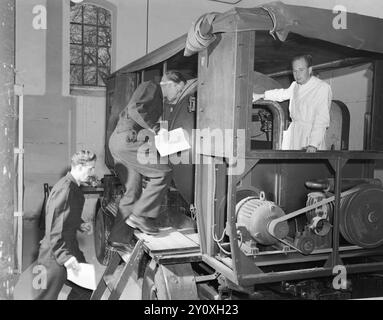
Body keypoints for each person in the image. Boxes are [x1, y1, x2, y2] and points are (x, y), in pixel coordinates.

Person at [108, 70, 186, 244]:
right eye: (179, 90)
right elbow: (136, 109)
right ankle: (140, 215)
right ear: (170, 84)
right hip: (127, 140)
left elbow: (142, 118)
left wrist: (160, 132)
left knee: (132, 192)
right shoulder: (151, 87)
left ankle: (118, 239)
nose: (178, 95)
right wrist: (154, 128)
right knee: (163, 172)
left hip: (122, 142)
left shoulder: (159, 99)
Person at [14, 150, 97, 300]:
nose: (93, 172)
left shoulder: (73, 187)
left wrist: (80, 224)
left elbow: (65, 215)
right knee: (46, 296)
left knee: (85, 289)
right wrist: (65, 257)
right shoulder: (65, 190)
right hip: (54, 255)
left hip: (70, 247)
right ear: (79, 167)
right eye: (90, 168)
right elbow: (53, 229)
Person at [252, 54, 332, 152]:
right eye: (294, 71)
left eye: (301, 70)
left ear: (310, 70)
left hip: (310, 137)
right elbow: (281, 94)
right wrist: (260, 95)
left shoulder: (322, 87)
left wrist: (313, 145)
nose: (297, 74)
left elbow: (321, 120)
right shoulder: (295, 86)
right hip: (295, 134)